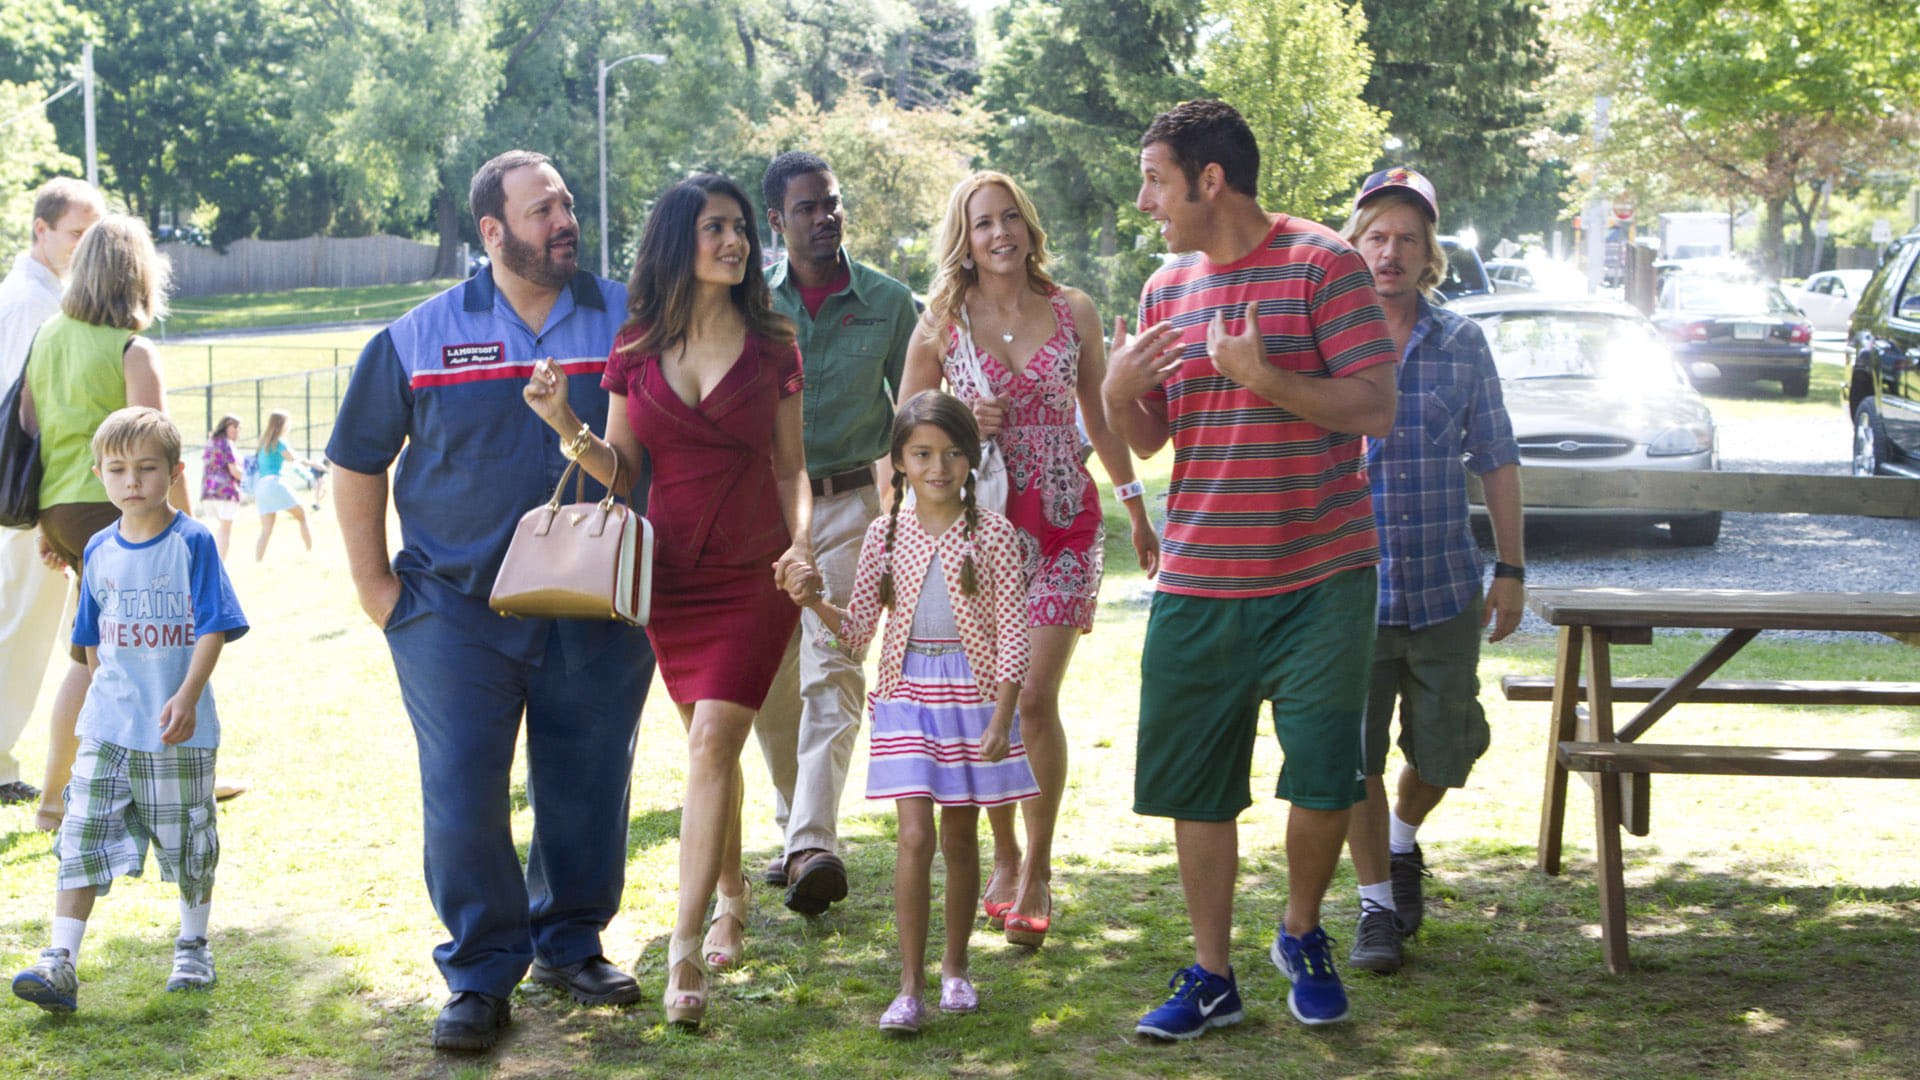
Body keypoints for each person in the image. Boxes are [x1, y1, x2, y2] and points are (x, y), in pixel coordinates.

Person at [328, 150, 655, 1051]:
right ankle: (478, 973)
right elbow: (356, 462)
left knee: (589, 781)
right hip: (452, 612)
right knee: (465, 791)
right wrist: (377, 591)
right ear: (492, 230)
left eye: (567, 204)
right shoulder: (416, 337)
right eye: (542, 208)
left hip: (598, 606)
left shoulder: (631, 321)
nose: (565, 220)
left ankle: (572, 942)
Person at [1101, 100, 1397, 1037]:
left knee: (1325, 777)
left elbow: (1376, 407)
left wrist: (1262, 375)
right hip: (1199, 580)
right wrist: (1116, 391)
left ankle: (1302, 932)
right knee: (1195, 785)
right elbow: (1152, 435)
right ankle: (1213, 975)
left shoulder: (1324, 264)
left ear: (1210, 180)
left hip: (1321, 577)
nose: (1145, 200)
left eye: (1155, 180)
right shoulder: (1164, 290)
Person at [520, 172, 809, 1030]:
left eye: (741, 229)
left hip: (754, 572)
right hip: (671, 579)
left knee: (714, 741)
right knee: (708, 750)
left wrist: (800, 544)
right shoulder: (636, 346)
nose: (735, 242)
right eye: (716, 227)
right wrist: (562, 422)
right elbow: (622, 472)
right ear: (679, 240)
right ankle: (730, 893)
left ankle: (683, 953)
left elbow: (792, 468)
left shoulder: (774, 343)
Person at [899, 170, 1157, 947]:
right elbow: (906, 427)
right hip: (982, 534)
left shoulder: (1072, 309)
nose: (1000, 233)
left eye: (1010, 217)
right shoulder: (943, 321)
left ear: (1028, 226)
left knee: (1035, 697)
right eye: (983, 223)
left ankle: (1038, 868)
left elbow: (1103, 418)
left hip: (1067, 522)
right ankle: (1005, 853)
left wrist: (1137, 507)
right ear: (965, 239)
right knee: (993, 705)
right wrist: (956, 419)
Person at [782, 390, 1037, 1033]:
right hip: (907, 695)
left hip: (973, 699)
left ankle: (956, 968)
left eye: (952, 454)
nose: (938, 467)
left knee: (960, 836)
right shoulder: (885, 534)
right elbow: (858, 631)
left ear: (970, 459)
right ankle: (909, 986)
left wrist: (1002, 716)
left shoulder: (994, 534)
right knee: (915, 836)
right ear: (899, 460)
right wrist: (814, 603)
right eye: (922, 454)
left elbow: (1014, 634)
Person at [1337, 168, 1525, 974]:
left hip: (1445, 586)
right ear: (1353, 245)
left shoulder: (1462, 342)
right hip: (1351, 588)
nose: (1391, 252)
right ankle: (1377, 906)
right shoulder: (1325, 338)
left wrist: (1511, 566)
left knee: (1449, 748)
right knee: (1352, 757)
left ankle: (1401, 840)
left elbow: (1497, 456)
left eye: (1407, 238)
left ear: (1429, 253)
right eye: (1377, 235)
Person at [10, 407, 247, 1014]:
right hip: (108, 728)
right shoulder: (97, 548)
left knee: (188, 839)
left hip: (176, 731)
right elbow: (89, 640)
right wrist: (107, 697)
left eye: (147, 468)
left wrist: (186, 695)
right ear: (99, 475)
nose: (132, 481)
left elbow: (215, 626)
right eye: (117, 470)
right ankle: (60, 961)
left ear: (175, 472)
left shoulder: (192, 542)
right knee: (82, 834)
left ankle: (192, 946)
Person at [750, 151, 918, 917]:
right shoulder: (751, 304)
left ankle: (814, 844)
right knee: (769, 682)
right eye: (807, 207)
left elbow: (916, 408)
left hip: (852, 506)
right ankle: (796, 827)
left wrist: (908, 510)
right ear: (776, 221)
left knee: (835, 665)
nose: (826, 217)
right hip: (764, 512)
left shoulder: (889, 302)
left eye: (833, 202)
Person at [21, 214, 192, 835]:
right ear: (138, 275)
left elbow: (34, 430)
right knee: (147, 656)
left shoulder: (47, 336)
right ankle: (164, 789)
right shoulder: (131, 349)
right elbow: (158, 452)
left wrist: (51, 526)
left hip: (61, 512)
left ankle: (53, 803)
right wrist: (189, 533)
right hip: (118, 514)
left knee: (87, 656)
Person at [0, 177, 103, 808]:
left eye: (93, 234)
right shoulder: (27, 304)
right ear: (41, 230)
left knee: (55, 632)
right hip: (28, 499)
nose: (84, 245)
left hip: (47, 495)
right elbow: (19, 417)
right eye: (75, 233)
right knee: (19, 627)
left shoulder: (44, 296)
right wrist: (38, 513)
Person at [250, 408, 317, 560]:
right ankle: (311, 552)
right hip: (275, 484)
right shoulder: (279, 442)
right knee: (303, 516)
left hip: (261, 487)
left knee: (266, 530)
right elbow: (295, 459)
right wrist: (314, 464)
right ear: (282, 424)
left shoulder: (263, 441)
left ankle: (258, 561)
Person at [199, 415, 245, 561]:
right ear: (225, 427)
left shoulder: (210, 441)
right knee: (225, 531)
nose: (237, 430)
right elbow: (235, 471)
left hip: (208, 492)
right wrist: (250, 479)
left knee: (215, 530)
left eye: (239, 427)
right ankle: (219, 567)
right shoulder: (227, 443)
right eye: (234, 426)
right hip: (226, 493)